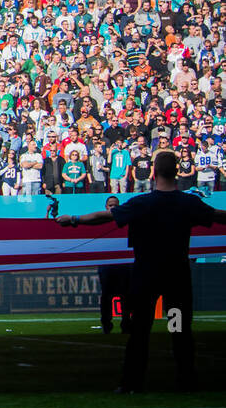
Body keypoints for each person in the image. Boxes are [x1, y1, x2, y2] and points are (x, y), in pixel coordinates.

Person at [58, 151, 226, 392]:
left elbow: (103, 217)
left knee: (140, 331)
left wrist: (73, 219)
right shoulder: (188, 203)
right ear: (176, 172)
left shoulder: (142, 203)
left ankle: (131, 382)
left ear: (154, 173)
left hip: (146, 275)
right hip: (176, 276)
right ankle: (186, 379)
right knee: (178, 328)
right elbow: (218, 216)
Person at [94, 195, 133, 335]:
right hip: (106, 265)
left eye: (115, 205)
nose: (113, 207)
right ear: (106, 207)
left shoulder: (126, 221)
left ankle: (126, 323)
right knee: (106, 296)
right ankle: (106, 324)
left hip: (124, 264)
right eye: (110, 205)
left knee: (126, 295)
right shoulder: (99, 222)